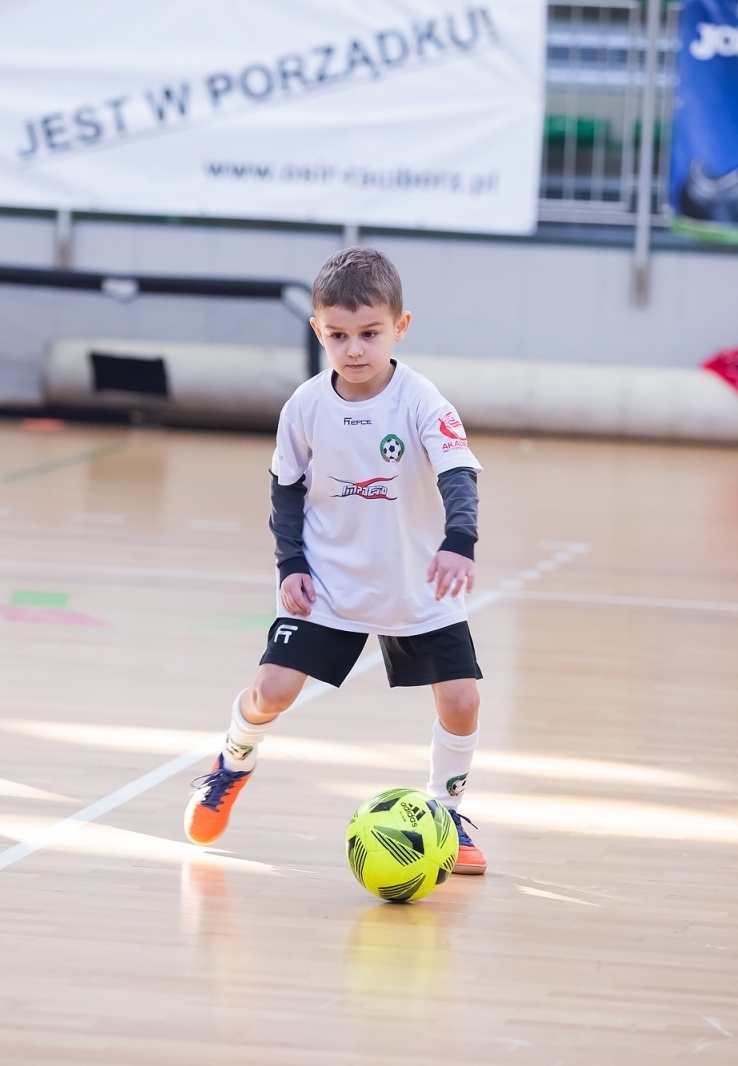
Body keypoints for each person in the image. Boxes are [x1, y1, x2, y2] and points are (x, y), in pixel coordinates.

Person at [183, 246, 487, 873]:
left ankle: (447, 814)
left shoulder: (423, 401)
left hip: (415, 583)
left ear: (401, 327)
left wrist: (459, 541)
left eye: (370, 334)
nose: (354, 349)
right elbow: (285, 488)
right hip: (328, 580)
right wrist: (291, 564)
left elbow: (459, 475)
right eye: (338, 335)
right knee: (271, 691)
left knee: (461, 700)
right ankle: (232, 761)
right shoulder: (305, 406)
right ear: (317, 330)